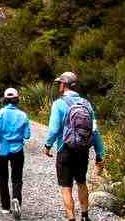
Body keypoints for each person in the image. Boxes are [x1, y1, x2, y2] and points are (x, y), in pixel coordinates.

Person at [44, 72, 105, 221]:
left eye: (60, 83)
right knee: (81, 182)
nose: (59, 85)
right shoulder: (87, 104)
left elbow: (54, 129)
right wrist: (99, 153)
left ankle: (71, 218)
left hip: (65, 149)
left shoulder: (58, 104)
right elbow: (95, 131)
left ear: (64, 85)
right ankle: (84, 216)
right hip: (82, 150)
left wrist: (48, 145)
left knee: (66, 186)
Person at [0, 87, 30, 220]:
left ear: (4, 100)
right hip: (17, 148)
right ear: (17, 100)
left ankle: (5, 206)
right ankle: (16, 200)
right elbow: (27, 135)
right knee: (17, 177)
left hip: (3, 147)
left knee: (3, 177)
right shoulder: (23, 115)